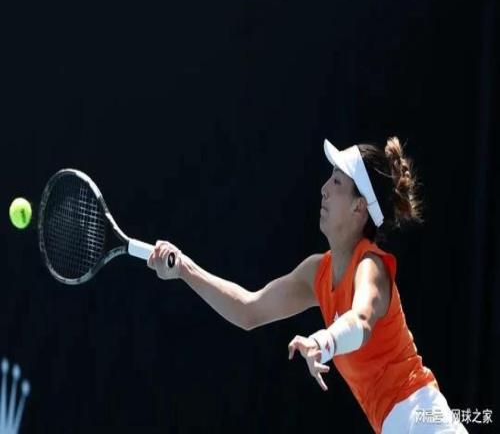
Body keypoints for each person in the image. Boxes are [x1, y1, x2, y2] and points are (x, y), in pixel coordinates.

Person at [147, 137, 467, 433]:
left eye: (337, 182)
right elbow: (248, 310)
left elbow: (361, 320)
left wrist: (324, 341)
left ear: (359, 207)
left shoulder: (371, 267)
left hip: (423, 417)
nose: (324, 189)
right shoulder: (317, 272)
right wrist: (184, 269)